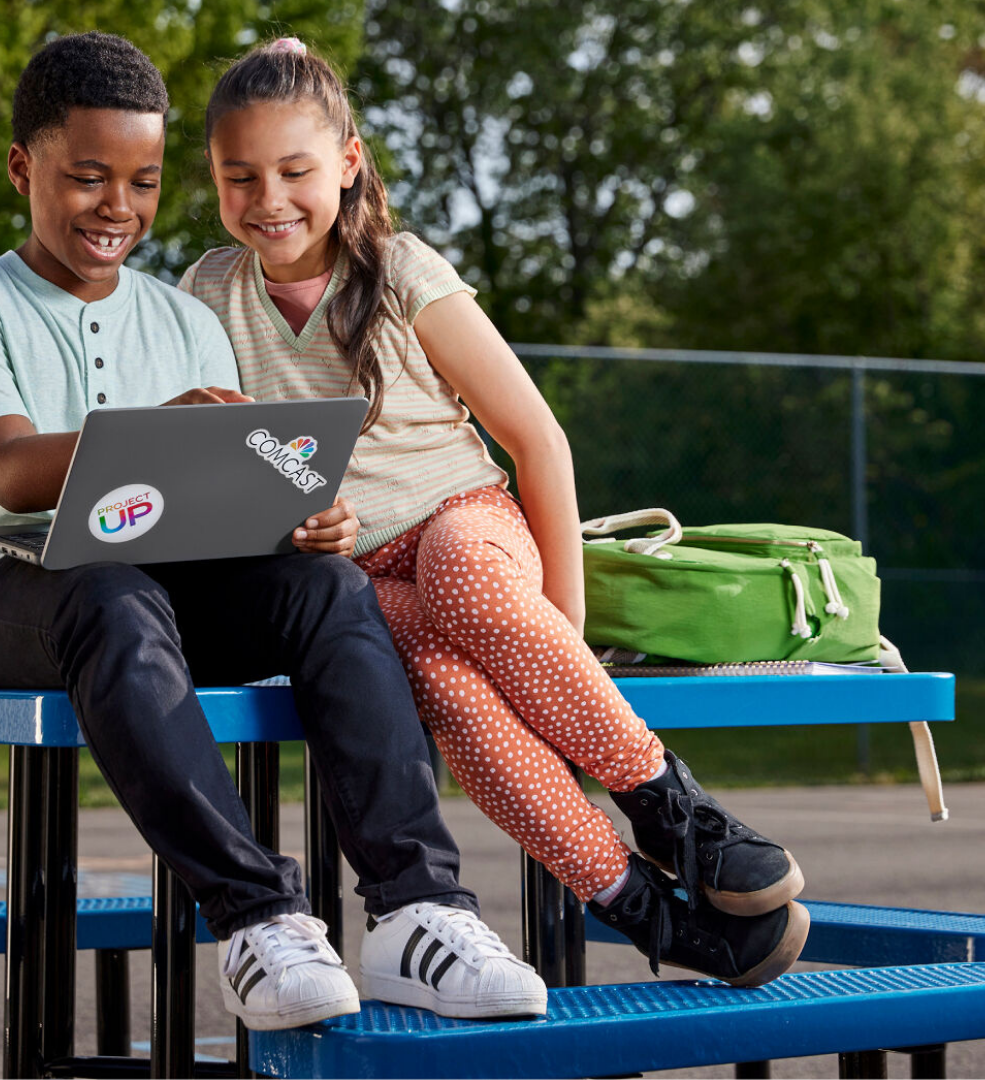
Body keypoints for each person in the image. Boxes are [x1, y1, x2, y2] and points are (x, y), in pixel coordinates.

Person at [0, 32, 545, 1029]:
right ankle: (259, 919)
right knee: (110, 594)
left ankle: (418, 913)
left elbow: (245, 478)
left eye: (144, 181)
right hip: (13, 598)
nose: (116, 207)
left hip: (158, 590)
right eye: (86, 178)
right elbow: (6, 466)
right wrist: (156, 431)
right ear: (21, 167)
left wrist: (307, 514)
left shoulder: (185, 316)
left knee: (328, 590)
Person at [181, 38, 810, 988]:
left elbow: (538, 441)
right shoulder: (205, 294)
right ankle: (648, 914)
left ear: (348, 163)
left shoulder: (399, 271)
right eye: (241, 176)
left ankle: (682, 817)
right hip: (346, 577)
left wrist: (565, 635)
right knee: (459, 704)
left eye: (295, 170)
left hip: (461, 522)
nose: (269, 197)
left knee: (470, 587)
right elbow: (228, 475)